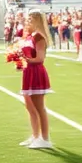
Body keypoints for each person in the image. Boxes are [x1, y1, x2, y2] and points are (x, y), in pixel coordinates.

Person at [19, 11, 54, 149]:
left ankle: (45, 139)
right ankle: (35, 136)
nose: (27, 22)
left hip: (36, 72)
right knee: (29, 106)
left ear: (36, 21)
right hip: (28, 72)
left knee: (39, 107)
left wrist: (25, 60)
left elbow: (40, 58)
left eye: (30, 20)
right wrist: (19, 60)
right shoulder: (30, 36)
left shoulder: (39, 37)